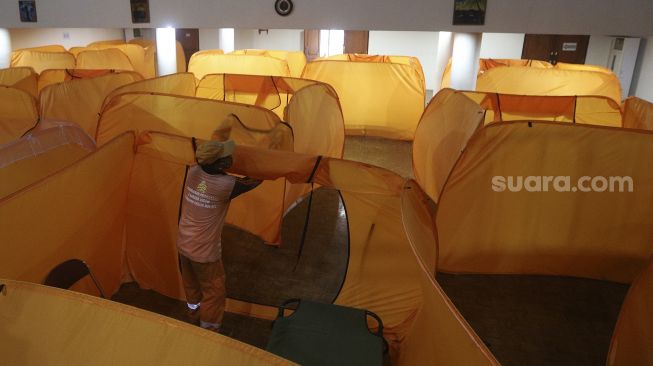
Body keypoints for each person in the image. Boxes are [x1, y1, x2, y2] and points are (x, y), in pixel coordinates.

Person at [176, 133, 262, 332]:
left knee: (191, 284)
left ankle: (193, 313)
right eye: (226, 157)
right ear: (219, 164)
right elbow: (257, 179)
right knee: (214, 290)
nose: (230, 159)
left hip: (183, 243)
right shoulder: (226, 185)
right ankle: (209, 329)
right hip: (204, 252)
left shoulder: (192, 171)